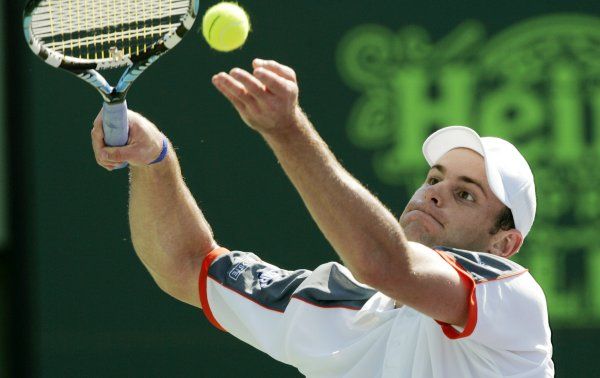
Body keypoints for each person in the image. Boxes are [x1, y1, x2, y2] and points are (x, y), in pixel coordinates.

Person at [91, 59, 554, 377]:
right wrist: (154, 160)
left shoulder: (510, 297)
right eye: (434, 178)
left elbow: (386, 264)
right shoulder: (335, 305)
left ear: (504, 245)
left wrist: (287, 131)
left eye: (465, 195)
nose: (434, 194)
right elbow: (187, 266)